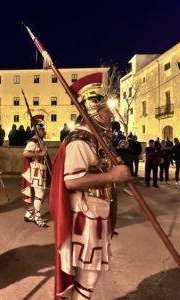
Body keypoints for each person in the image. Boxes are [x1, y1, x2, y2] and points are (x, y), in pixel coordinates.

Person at [50, 73, 132, 299]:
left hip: (98, 212)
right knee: (87, 276)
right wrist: (111, 176)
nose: (111, 114)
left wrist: (114, 172)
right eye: (106, 110)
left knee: (89, 277)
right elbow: (71, 181)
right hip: (86, 216)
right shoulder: (80, 140)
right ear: (93, 112)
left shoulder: (98, 139)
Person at [21, 115, 48, 228]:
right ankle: (37, 218)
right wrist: (39, 154)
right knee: (39, 193)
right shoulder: (33, 141)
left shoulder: (40, 141)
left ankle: (28, 215)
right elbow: (26, 153)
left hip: (40, 169)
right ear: (38, 130)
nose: (44, 131)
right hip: (36, 169)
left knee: (39, 193)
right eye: (42, 129)